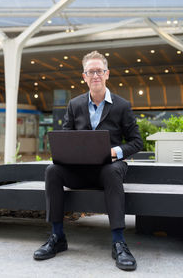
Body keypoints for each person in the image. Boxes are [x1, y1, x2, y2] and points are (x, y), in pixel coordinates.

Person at [33, 51, 143, 271]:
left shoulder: (122, 106)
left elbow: (136, 142)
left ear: (107, 74)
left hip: (108, 169)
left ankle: (118, 242)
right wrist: (67, 153)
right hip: (79, 170)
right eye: (90, 72)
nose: (95, 76)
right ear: (84, 76)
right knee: (52, 171)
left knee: (112, 172)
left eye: (99, 71)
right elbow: (65, 136)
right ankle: (58, 237)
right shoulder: (74, 105)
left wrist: (115, 152)